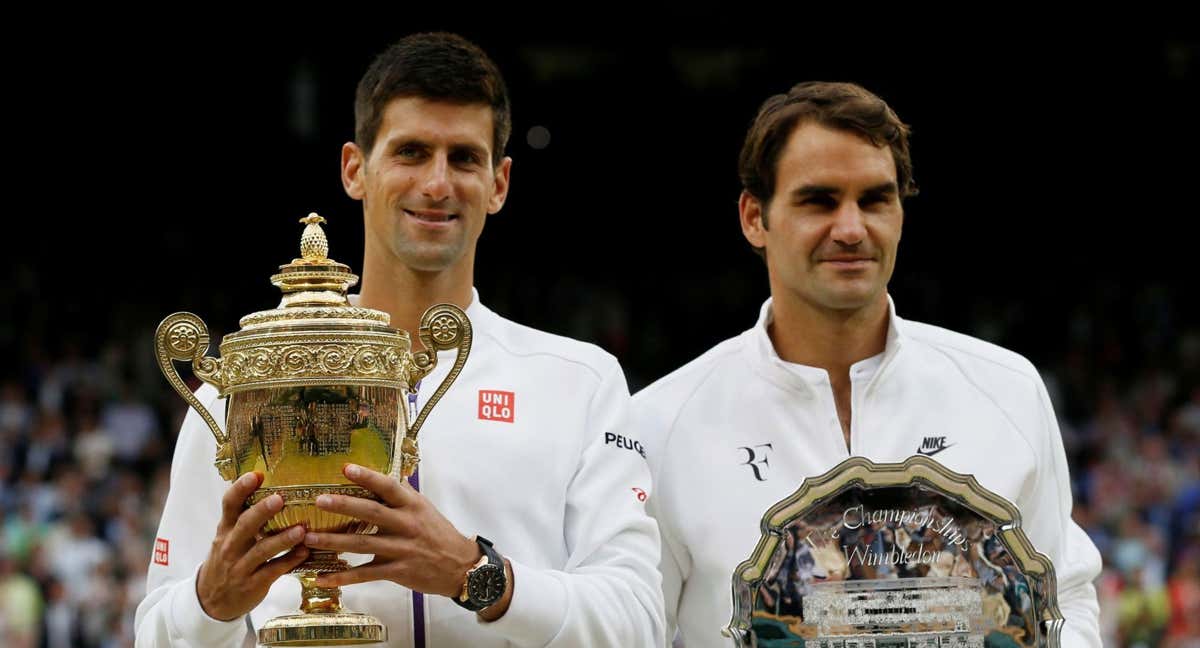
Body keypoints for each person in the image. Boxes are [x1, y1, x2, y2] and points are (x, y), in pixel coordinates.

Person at [135, 32, 664, 647]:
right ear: (355, 169)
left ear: (499, 183)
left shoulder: (581, 382)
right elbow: (153, 633)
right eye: (411, 152)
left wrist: (476, 575)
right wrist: (211, 602)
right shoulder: (254, 376)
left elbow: (639, 623)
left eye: (464, 158)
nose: (437, 184)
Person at [630, 81, 1102, 647]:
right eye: (819, 201)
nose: (851, 229)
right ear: (755, 217)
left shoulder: (1007, 389)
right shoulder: (659, 423)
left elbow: (1063, 595)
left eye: (875, 199)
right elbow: (632, 632)